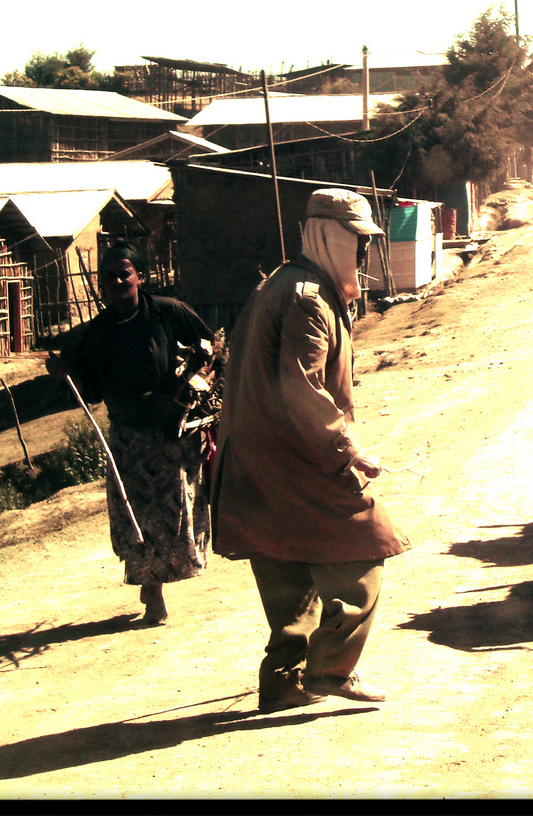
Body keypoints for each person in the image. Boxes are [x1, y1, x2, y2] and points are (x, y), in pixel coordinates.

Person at [212, 188, 411, 711]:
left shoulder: (281, 283)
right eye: (357, 242)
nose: (364, 254)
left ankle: (281, 683)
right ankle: (328, 670)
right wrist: (348, 449)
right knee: (367, 548)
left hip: (256, 460)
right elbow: (302, 387)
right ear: (327, 236)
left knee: (286, 566)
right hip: (297, 456)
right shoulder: (307, 298)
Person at [48, 243, 216, 626]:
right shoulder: (98, 334)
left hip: (172, 432)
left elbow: (211, 348)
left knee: (173, 513)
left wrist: (195, 381)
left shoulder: (168, 312)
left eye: (125, 273)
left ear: (140, 276)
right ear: (102, 286)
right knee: (139, 517)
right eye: (110, 277)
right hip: (129, 440)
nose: (119, 281)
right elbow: (90, 388)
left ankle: (155, 580)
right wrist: (65, 372)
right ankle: (153, 594)